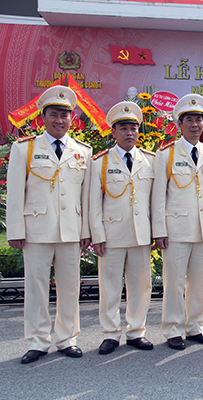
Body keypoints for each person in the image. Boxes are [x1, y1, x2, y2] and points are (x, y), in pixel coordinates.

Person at [7, 86, 92, 363]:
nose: (59, 120)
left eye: (65, 115)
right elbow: (15, 192)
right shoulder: (25, 149)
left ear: (72, 118)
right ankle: (38, 340)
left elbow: (87, 196)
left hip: (70, 229)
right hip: (36, 230)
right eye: (54, 114)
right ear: (43, 117)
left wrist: (86, 231)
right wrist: (15, 230)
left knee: (69, 287)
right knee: (36, 287)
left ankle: (67, 338)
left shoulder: (82, 151)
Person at [152, 94, 203, 350]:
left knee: (200, 282)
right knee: (174, 282)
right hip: (176, 230)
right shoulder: (167, 154)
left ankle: (195, 327)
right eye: (189, 120)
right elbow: (158, 196)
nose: (195, 124)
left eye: (199, 119)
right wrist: (159, 230)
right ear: (179, 124)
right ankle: (172, 329)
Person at [89, 102, 155, 354]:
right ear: (113, 132)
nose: (129, 133)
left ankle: (136, 331)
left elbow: (156, 201)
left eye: (134, 128)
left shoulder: (150, 161)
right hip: (112, 234)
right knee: (110, 286)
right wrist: (97, 234)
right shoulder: (101, 162)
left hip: (141, 233)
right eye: (123, 128)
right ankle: (110, 333)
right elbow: (94, 203)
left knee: (141, 284)